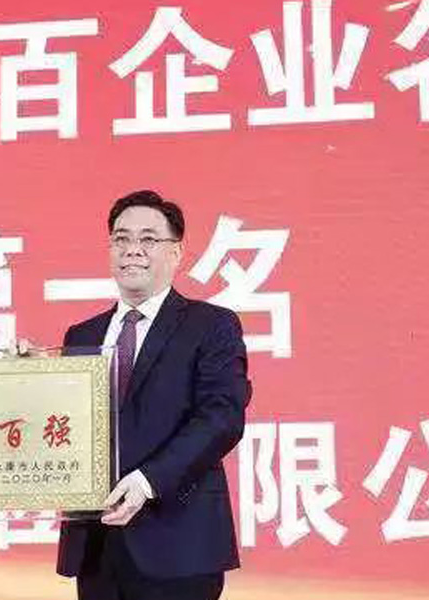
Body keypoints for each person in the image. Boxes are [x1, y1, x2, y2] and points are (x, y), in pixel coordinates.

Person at [56, 190, 250, 600]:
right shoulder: (82, 335)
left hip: (179, 544)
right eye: (121, 239)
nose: (133, 250)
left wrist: (147, 482)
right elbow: (64, 426)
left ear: (176, 252)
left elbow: (221, 418)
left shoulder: (211, 325)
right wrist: (26, 377)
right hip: (98, 548)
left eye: (148, 239)